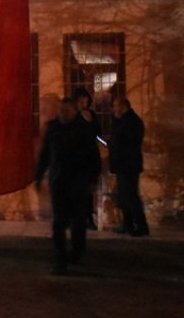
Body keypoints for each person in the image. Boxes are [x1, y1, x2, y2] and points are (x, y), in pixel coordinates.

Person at [35, 97, 102, 275]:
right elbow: (45, 155)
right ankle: (60, 259)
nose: (63, 114)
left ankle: (77, 252)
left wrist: (93, 181)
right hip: (59, 181)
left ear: (74, 111)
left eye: (66, 111)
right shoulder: (53, 128)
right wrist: (39, 176)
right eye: (61, 111)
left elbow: (93, 157)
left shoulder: (84, 129)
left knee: (78, 221)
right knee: (59, 222)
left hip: (78, 182)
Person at [109, 97, 149, 237]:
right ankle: (128, 224)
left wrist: (113, 145)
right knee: (124, 196)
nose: (113, 109)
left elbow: (128, 143)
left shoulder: (131, 122)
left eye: (115, 106)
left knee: (131, 196)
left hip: (128, 165)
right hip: (124, 165)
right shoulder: (124, 121)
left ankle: (141, 226)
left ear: (123, 107)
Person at [72, 87, 102, 230]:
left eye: (85, 102)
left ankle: (89, 218)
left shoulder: (91, 115)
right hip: (76, 158)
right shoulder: (72, 116)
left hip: (90, 158)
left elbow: (97, 134)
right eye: (80, 102)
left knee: (88, 191)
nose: (83, 105)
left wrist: (90, 122)